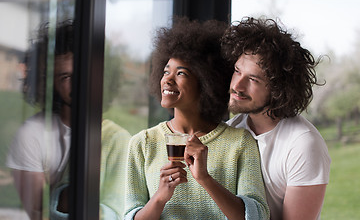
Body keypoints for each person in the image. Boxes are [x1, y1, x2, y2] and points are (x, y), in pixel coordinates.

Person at [124, 17, 270, 220]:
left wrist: (205, 179)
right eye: (166, 71)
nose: (167, 79)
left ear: (206, 81)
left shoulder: (240, 143)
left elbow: (257, 216)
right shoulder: (142, 144)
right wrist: (159, 198)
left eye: (180, 73)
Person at [6, 20, 131, 219]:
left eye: (83, 73)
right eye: (65, 77)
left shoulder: (119, 139)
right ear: (49, 83)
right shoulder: (31, 135)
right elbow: (39, 213)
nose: (78, 83)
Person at [221, 17, 331, 220]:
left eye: (253, 79)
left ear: (278, 89)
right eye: (237, 71)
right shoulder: (231, 130)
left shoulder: (302, 144)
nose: (237, 85)